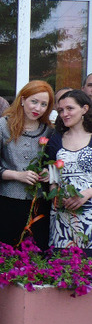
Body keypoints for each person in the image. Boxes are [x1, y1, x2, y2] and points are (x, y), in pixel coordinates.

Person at [0, 81, 54, 251]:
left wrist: (47, 173)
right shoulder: (2, 125)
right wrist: (16, 175)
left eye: (44, 104)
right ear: (22, 100)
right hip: (5, 201)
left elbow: (52, 164)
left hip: (37, 204)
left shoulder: (49, 131)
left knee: (34, 257)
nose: (38, 108)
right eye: (34, 101)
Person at [46, 89, 92, 253]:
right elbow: (51, 173)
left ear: (84, 109)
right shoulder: (56, 138)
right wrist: (54, 193)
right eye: (60, 110)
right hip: (62, 215)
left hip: (89, 213)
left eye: (70, 108)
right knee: (61, 268)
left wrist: (87, 193)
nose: (64, 114)